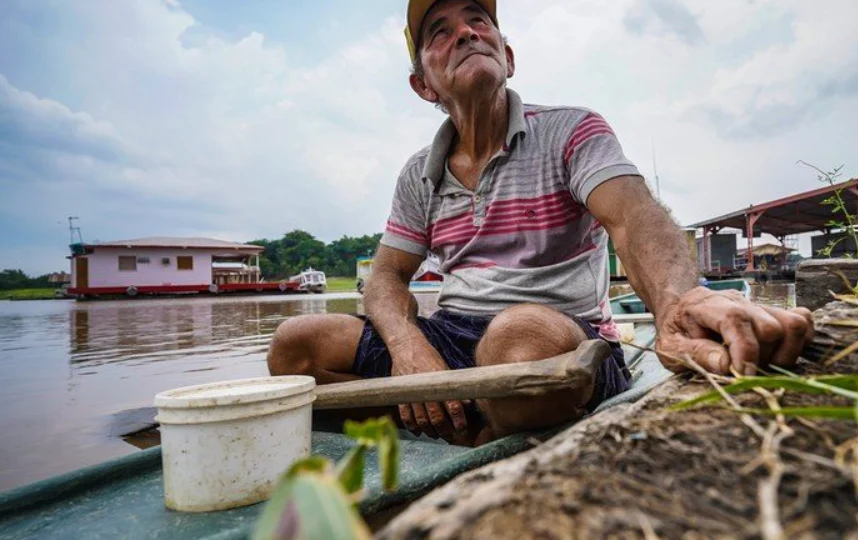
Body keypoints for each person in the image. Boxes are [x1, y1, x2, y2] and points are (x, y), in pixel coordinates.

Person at [267, 0, 814, 446]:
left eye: (479, 21)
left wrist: (677, 302)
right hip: (451, 337)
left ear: (507, 55)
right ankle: (475, 420)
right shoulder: (418, 174)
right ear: (424, 86)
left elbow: (632, 217)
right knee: (296, 344)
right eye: (440, 31)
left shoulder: (572, 131)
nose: (466, 33)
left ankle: (478, 429)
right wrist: (410, 347)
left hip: (557, 332)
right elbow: (387, 278)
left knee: (520, 340)